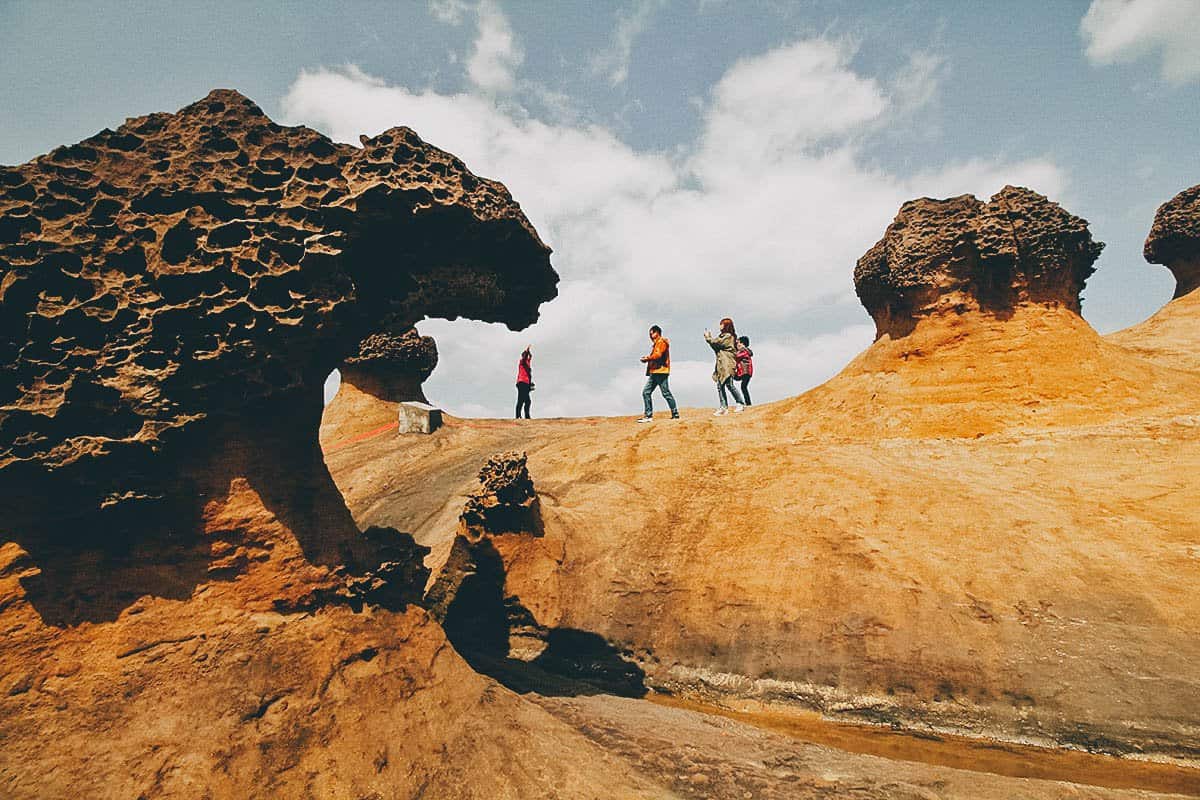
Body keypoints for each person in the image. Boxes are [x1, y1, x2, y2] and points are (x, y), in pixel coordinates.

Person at [637, 325, 678, 423]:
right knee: (647, 392)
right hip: (656, 371)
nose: (651, 336)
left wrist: (647, 358)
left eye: (652, 334)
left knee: (665, 392)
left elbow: (658, 355)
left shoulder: (661, 342)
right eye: (650, 334)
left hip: (660, 371)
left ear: (657, 333)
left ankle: (674, 413)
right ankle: (649, 415)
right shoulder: (657, 343)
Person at [704, 317, 745, 416]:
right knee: (720, 385)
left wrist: (708, 337)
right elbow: (715, 345)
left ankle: (740, 403)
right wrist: (709, 339)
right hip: (721, 364)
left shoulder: (728, 336)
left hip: (727, 363)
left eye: (722, 324)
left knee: (729, 384)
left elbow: (716, 343)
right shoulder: (723, 336)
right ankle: (723, 407)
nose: (720, 326)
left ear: (726, 325)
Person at [734, 335, 754, 406]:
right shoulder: (742, 351)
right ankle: (748, 403)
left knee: (743, 387)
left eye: (739, 343)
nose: (737, 345)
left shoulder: (745, 351)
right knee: (742, 386)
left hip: (746, 372)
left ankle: (748, 403)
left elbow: (736, 357)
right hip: (742, 372)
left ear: (743, 344)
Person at [515, 346, 533, 419]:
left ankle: (526, 416)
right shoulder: (522, 362)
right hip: (522, 383)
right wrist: (527, 350)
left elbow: (530, 356)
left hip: (526, 384)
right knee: (521, 400)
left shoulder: (528, 363)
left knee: (527, 401)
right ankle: (519, 416)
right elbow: (525, 357)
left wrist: (529, 352)